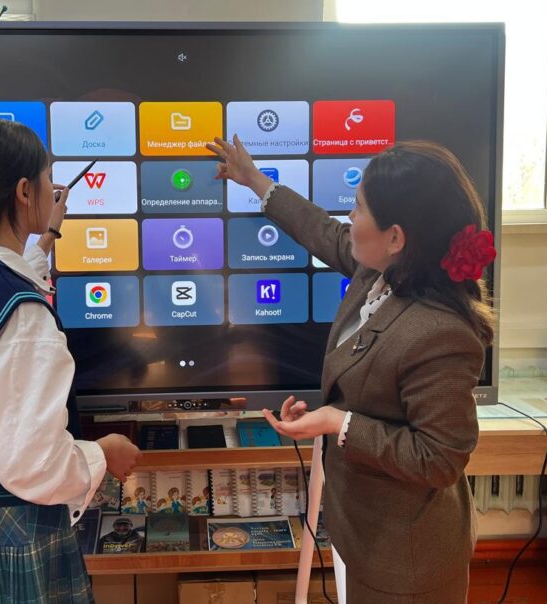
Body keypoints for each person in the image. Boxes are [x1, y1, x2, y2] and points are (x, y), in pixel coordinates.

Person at [208, 136, 495, 603]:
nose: (349, 216)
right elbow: (323, 231)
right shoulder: (382, 272)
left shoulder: (441, 332)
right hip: (367, 534)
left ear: (396, 238)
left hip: (407, 561)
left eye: (359, 208)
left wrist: (338, 422)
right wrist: (254, 180)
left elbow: (439, 458)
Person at [0, 117, 140, 603]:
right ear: (24, 191)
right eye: (46, 178)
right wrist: (104, 452)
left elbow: (18, 272)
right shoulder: (25, 317)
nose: (51, 186)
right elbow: (32, 465)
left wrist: (49, 231)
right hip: (22, 535)